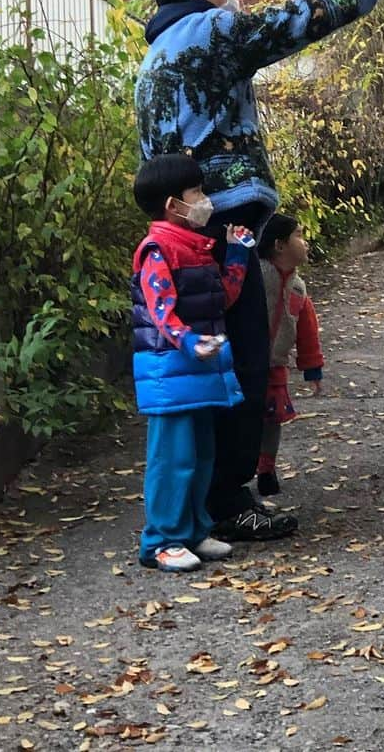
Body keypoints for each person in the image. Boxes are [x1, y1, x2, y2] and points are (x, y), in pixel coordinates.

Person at [135, 0, 384, 542]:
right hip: (227, 221)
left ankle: (197, 507)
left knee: (206, 362)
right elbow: (292, 21)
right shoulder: (207, 29)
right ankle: (230, 499)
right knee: (245, 357)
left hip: (180, 228)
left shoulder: (154, 60)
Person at [130, 153, 254, 573]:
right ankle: (161, 540)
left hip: (197, 369)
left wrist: (236, 254)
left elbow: (223, 298)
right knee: (172, 458)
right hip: (171, 371)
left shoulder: (197, 248)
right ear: (173, 205)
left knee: (201, 455)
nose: (205, 200)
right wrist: (186, 342)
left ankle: (193, 531)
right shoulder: (157, 249)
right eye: (197, 192)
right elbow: (160, 308)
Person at [256, 213, 322, 497]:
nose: (305, 242)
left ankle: (266, 469)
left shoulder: (297, 287)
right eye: (299, 235)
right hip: (245, 364)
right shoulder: (257, 277)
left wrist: (312, 367)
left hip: (275, 366)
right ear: (279, 245)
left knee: (272, 422)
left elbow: (307, 329)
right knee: (244, 420)